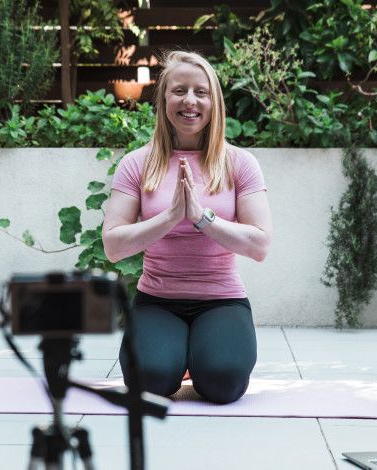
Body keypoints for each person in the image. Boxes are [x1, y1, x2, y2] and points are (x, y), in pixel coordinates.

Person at [102, 51, 273, 404]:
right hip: (158, 300)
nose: (190, 101)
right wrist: (170, 216)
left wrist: (201, 217)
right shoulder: (137, 163)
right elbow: (113, 246)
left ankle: (199, 355)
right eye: (179, 90)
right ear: (164, 98)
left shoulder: (240, 163)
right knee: (148, 382)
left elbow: (259, 245)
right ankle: (176, 357)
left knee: (223, 383)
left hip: (222, 299)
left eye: (201, 92)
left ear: (215, 101)